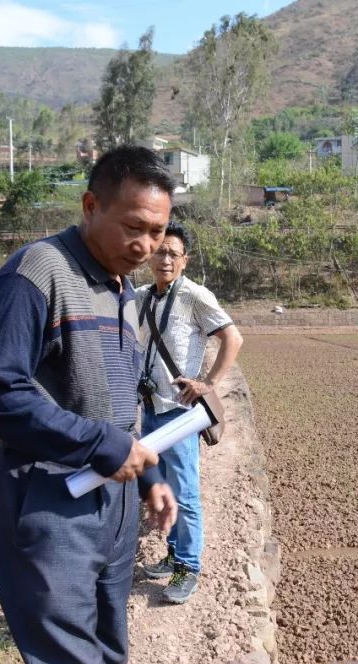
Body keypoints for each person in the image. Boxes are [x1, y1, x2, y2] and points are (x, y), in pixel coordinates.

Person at [0, 145, 178, 664]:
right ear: (89, 205)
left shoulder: (122, 288)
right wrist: (101, 446)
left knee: (106, 660)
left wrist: (147, 471)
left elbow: (118, 400)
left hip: (114, 504)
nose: (147, 245)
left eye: (157, 232)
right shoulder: (36, 272)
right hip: (50, 502)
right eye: (134, 227)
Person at [136, 220, 243, 604]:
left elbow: (233, 337)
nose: (165, 258)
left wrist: (209, 382)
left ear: (185, 260)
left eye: (173, 253)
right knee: (164, 490)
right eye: (159, 250)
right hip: (150, 411)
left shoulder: (195, 296)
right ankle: (174, 555)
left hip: (179, 413)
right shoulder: (142, 297)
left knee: (185, 492)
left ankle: (188, 567)